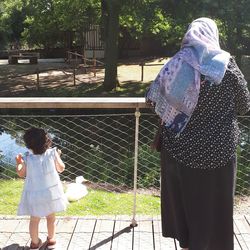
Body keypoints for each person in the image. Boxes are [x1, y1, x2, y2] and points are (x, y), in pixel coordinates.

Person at [146, 17, 250, 250]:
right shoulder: (227, 64)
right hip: (220, 151)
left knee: (187, 205)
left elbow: (153, 99)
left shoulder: (177, 63)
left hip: (180, 152)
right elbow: (244, 105)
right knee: (217, 208)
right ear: (213, 35)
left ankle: (188, 243)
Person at [16, 127, 68, 250]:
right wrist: (58, 156)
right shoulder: (52, 152)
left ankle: (35, 243)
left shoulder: (27, 157)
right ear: (47, 141)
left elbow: (21, 173)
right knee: (51, 218)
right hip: (51, 194)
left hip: (34, 196)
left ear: (28, 144)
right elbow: (61, 168)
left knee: (34, 220)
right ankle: (51, 241)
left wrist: (19, 162)